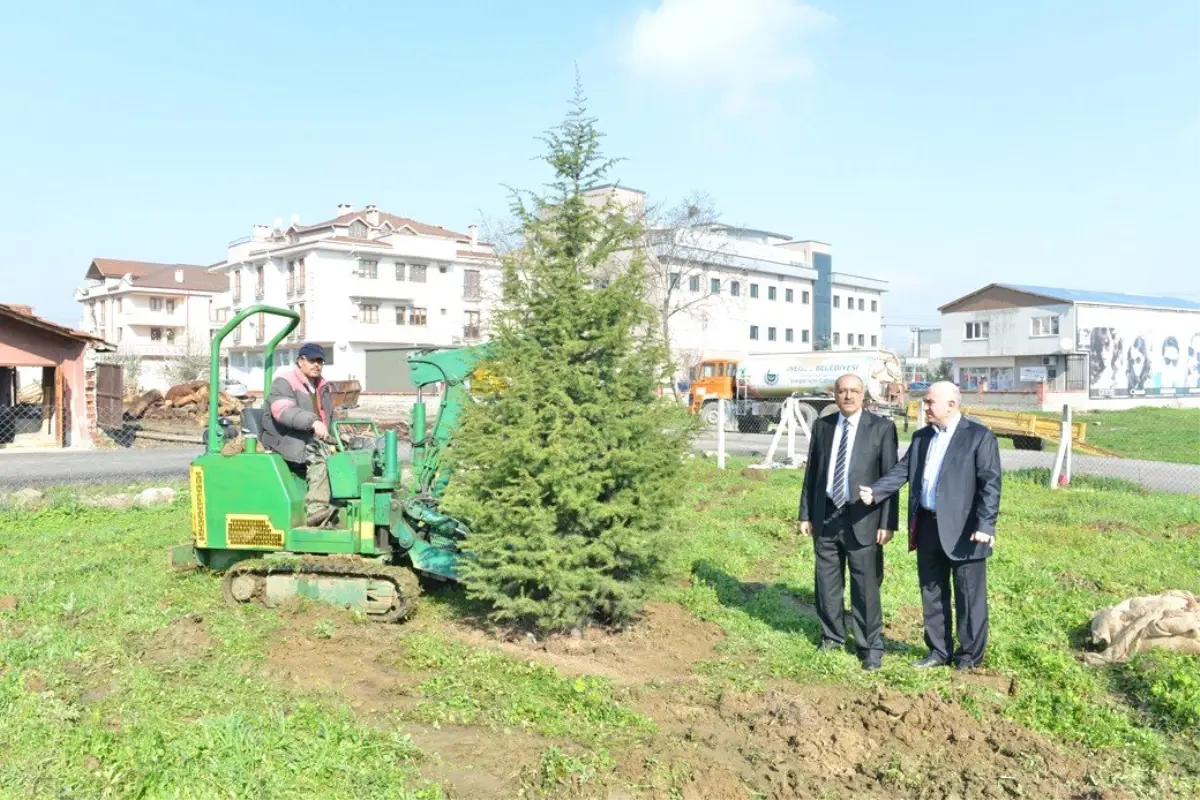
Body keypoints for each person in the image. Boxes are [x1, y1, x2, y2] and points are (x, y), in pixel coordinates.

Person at [858, 381, 1001, 671]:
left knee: (968, 595)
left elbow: (990, 484)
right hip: (927, 525)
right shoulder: (923, 437)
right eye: (924, 402)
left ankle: (969, 657)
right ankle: (938, 651)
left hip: (966, 531)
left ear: (951, 404)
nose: (925, 408)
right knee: (932, 591)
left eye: (929, 402)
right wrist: (876, 492)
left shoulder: (978, 437)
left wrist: (985, 524)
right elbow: (903, 470)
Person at [797, 374, 899, 671]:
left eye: (854, 391)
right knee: (826, 582)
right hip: (826, 515)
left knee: (865, 583)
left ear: (863, 394)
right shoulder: (823, 427)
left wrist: (887, 521)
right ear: (835, 395)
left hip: (864, 519)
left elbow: (890, 479)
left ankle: (870, 647)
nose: (848, 396)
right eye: (842, 391)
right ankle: (832, 637)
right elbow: (812, 475)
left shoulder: (881, 428)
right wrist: (806, 514)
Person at [260, 342, 337, 526]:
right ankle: (316, 511)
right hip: (284, 439)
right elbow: (282, 411)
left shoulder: (321, 386)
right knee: (321, 456)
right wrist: (312, 421)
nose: (316, 364)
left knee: (350, 453)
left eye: (320, 361)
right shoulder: (284, 382)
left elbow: (328, 416)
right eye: (312, 360)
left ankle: (341, 505)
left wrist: (340, 435)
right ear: (301, 361)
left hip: (310, 437)